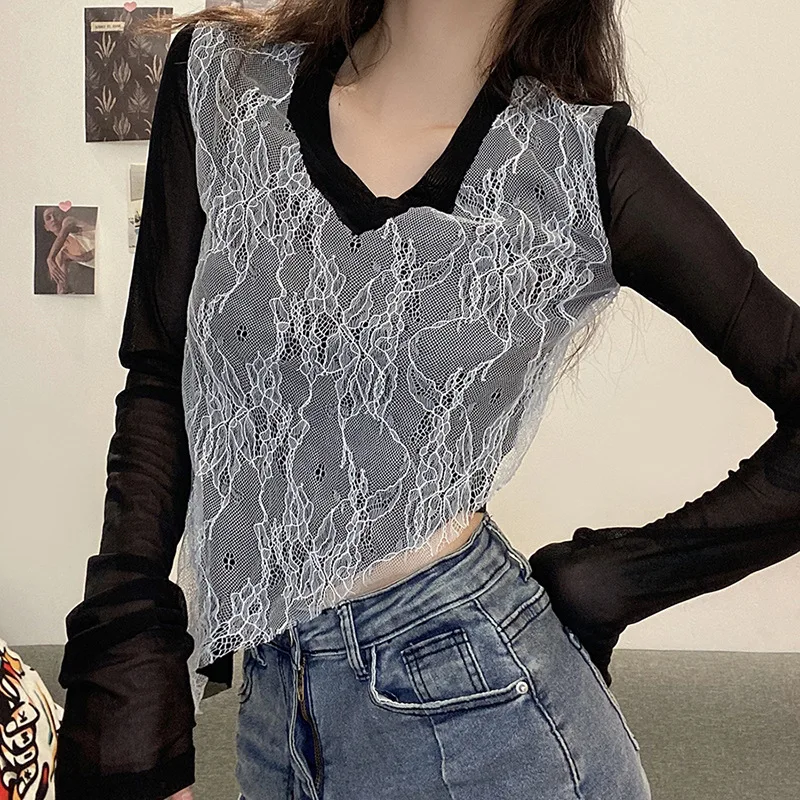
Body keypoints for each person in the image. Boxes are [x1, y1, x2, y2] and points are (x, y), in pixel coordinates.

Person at [55, 2, 800, 799]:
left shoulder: (576, 161)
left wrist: (613, 579)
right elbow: (161, 376)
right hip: (274, 709)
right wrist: (125, 668)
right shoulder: (223, 80)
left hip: (493, 725)